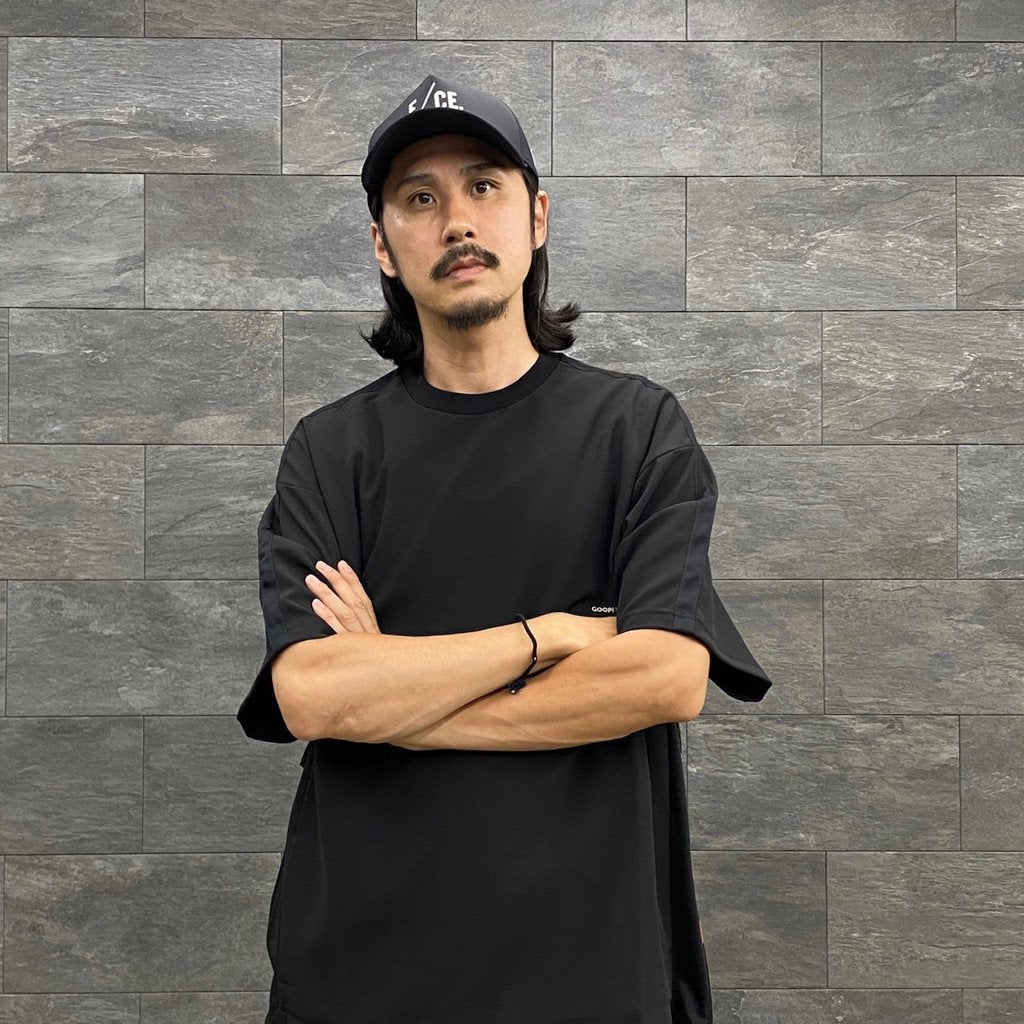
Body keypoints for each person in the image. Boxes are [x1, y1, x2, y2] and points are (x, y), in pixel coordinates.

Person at [237, 73, 774, 1024]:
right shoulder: (330, 452)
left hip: (588, 974)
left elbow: (664, 678)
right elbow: (313, 695)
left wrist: (398, 704)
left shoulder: (637, 431)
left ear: (537, 217)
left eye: (484, 185)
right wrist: (552, 634)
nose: (456, 220)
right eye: (419, 198)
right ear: (382, 245)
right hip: (359, 978)